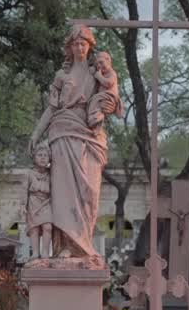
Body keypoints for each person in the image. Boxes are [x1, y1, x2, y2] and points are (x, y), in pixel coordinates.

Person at [28, 25, 122, 258]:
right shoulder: (62, 76)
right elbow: (51, 109)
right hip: (61, 133)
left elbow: (113, 99)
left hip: (89, 136)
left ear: (90, 47)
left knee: (89, 192)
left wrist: (110, 105)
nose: (80, 48)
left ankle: (84, 244)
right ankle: (66, 248)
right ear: (69, 48)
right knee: (63, 193)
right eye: (75, 44)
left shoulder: (98, 72)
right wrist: (36, 133)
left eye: (84, 44)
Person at [25, 142, 54, 258]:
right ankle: (35, 253)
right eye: (40, 155)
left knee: (48, 227)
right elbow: (24, 191)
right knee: (34, 229)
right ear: (34, 158)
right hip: (33, 202)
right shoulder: (29, 174)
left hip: (47, 202)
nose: (42, 158)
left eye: (45, 155)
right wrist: (22, 206)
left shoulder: (51, 173)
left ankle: (46, 252)